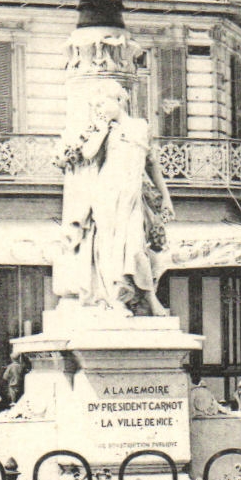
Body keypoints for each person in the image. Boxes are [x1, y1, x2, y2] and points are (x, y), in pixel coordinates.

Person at [56, 77, 175, 316]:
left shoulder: (141, 127)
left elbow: (152, 166)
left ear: (119, 100)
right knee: (110, 247)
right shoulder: (106, 130)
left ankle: (149, 297)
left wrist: (166, 198)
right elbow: (88, 154)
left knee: (135, 248)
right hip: (108, 194)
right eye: (94, 106)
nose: (97, 110)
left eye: (101, 104)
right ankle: (115, 300)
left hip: (133, 197)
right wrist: (99, 130)